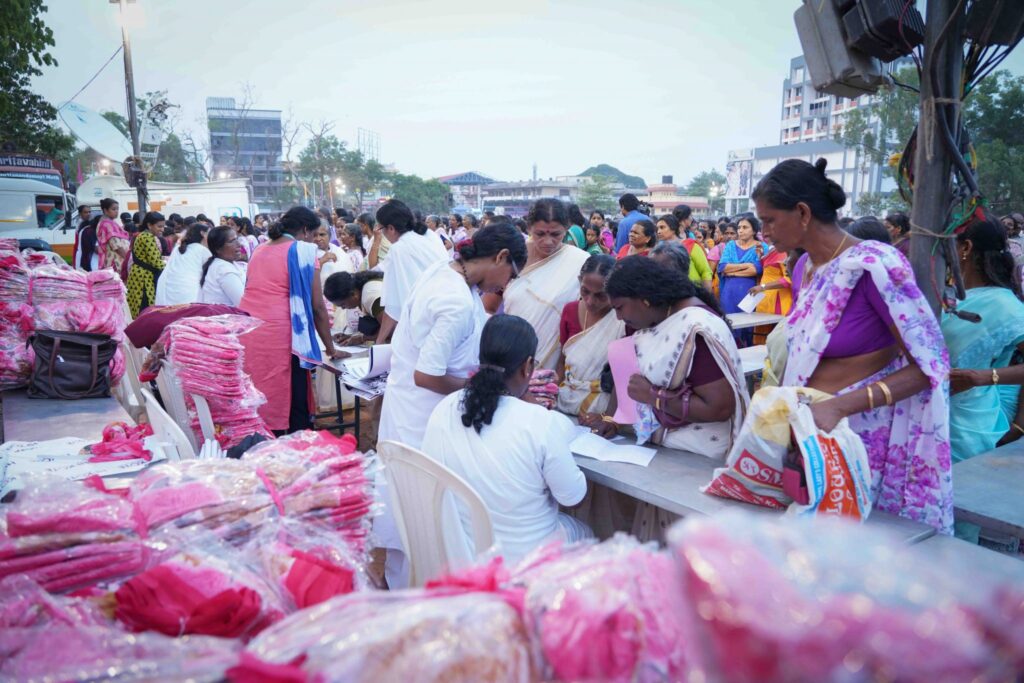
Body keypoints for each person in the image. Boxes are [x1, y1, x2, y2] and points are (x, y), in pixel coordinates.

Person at [754, 157, 951, 532]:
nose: (764, 231)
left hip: (861, 439)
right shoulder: (803, 268)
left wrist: (841, 406)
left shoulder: (876, 266)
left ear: (802, 212)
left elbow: (930, 365)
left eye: (769, 220)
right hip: (811, 438)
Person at [422, 314, 590, 565]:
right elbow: (572, 496)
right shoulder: (538, 423)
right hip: (524, 561)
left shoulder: (444, 408)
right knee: (585, 533)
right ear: (528, 366)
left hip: (458, 554)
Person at [586, 257, 748, 458]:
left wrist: (653, 396)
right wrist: (611, 418)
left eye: (619, 308)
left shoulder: (695, 328)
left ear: (644, 298)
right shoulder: (645, 316)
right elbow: (628, 369)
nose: (618, 317)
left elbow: (720, 407)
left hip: (698, 456)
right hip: (653, 448)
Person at [240, 207, 343, 434]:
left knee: (262, 391)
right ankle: (294, 449)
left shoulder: (259, 249)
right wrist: (330, 348)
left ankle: (264, 444)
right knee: (292, 394)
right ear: (305, 231)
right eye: (315, 234)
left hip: (249, 329)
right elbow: (318, 307)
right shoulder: (303, 251)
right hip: (282, 333)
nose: (316, 239)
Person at [941, 214, 1024, 465]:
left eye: (945, 245)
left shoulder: (1006, 306)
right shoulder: (945, 293)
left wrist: (985, 377)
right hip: (918, 414)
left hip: (964, 426)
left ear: (965, 248)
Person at [503, 198, 591, 370]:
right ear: (528, 228)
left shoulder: (580, 262)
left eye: (556, 234)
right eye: (540, 234)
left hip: (552, 362)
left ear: (566, 230)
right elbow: (490, 306)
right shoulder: (515, 254)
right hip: (508, 350)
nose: (548, 241)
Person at [555, 254, 624, 416]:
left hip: (602, 407)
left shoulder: (622, 320)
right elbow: (562, 360)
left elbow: (623, 377)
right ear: (580, 281)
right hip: (564, 400)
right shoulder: (570, 310)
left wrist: (609, 419)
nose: (590, 301)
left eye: (600, 295)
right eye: (585, 291)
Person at [374, 199, 451, 343]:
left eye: (380, 229)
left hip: (426, 322)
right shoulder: (428, 234)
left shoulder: (399, 249)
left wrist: (378, 343)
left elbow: (394, 305)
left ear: (390, 228)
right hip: (449, 310)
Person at [718, 216, 763, 346]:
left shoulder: (760, 246)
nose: (740, 231)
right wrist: (746, 265)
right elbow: (722, 267)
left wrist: (732, 271)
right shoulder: (731, 245)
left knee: (748, 326)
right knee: (730, 323)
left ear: (754, 231)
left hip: (750, 291)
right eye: (739, 228)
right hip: (729, 291)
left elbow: (756, 269)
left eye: (745, 227)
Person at [155, 222, 211, 306]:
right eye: (208, 234)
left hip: (167, 292)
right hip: (189, 295)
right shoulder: (203, 251)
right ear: (202, 234)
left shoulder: (178, 248)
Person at [324, 270, 385, 345]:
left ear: (353, 294)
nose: (343, 308)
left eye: (343, 304)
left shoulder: (370, 296)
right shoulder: (363, 290)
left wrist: (362, 338)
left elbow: (391, 330)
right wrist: (351, 336)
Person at [126, 211, 167, 318]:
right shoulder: (147, 237)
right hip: (144, 278)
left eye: (163, 226)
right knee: (145, 307)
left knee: (138, 305)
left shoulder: (143, 235)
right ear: (149, 225)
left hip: (138, 275)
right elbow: (156, 263)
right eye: (159, 226)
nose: (162, 229)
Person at [656, 214, 713, 288]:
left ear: (673, 228)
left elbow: (705, 271)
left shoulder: (691, 245)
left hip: (693, 291)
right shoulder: (659, 249)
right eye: (658, 228)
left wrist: (707, 295)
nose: (658, 231)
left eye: (662, 227)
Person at [200, 226, 246, 307]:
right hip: (227, 318)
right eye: (232, 241)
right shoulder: (224, 270)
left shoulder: (222, 264)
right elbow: (244, 304)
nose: (239, 244)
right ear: (218, 248)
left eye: (237, 239)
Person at [96, 198, 130, 272]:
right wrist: (128, 259)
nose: (116, 211)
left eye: (117, 209)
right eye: (113, 209)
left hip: (115, 259)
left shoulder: (108, 223)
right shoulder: (107, 225)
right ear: (105, 210)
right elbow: (116, 246)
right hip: (115, 261)